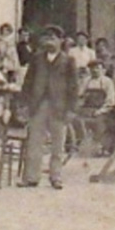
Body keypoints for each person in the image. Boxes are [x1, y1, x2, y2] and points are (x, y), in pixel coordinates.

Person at [19, 25, 79, 190]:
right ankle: (31, 177)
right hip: (38, 105)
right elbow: (28, 83)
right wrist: (24, 104)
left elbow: (74, 87)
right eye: (46, 37)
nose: (49, 40)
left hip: (59, 107)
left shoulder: (68, 61)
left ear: (61, 41)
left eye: (53, 37)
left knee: (58, 145)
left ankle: (56, 177)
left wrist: (72, 110)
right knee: (34, 143)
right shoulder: (37, 59)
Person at [84, 60, 115, 156]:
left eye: (97, 68)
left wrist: (100, 111)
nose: (95, 71)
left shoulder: (107, 82)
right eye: (92, 69)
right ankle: (76, 145)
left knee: (101, 122)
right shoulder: (86, 81)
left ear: (103, 70)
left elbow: (110, 101)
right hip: (88, 110)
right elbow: (80, 96)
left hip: (104, 110)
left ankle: (103, 147)